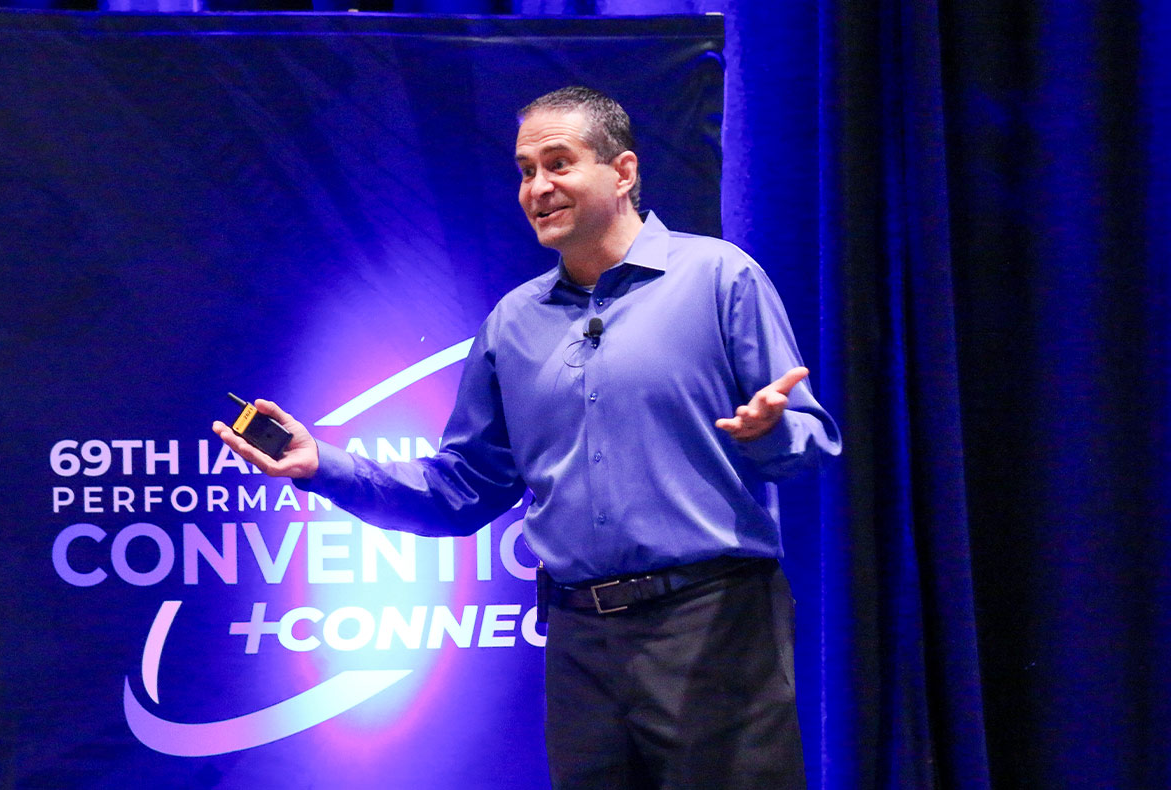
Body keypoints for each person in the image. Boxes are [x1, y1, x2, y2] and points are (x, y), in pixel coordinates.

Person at [214, 86, 840, 790]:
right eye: (524, 170)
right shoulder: (513, 323)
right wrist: (321, 465)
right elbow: (460, 490)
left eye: (558, 164)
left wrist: (769, 428)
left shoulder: (719, 277)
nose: (538, 188)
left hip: (713, 624)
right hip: (580, 642)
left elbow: (810, 441)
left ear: (623, 172)